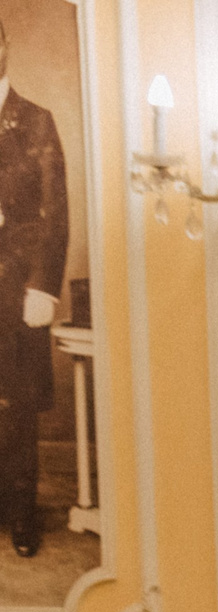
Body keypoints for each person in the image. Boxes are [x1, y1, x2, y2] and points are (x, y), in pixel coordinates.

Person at [0, 22, 68, 559]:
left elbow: (54, 213)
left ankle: (22, 514)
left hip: (16, 285)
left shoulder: (36, 121)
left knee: (17, 405)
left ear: (4, 46)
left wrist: (42, 286)